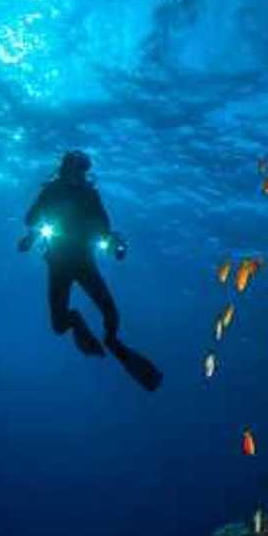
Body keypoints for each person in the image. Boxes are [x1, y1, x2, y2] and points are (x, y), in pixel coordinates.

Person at [18, 150, 162, 391]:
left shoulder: (90, 195)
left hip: (84, 262)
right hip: (58, 263)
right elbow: (31, 218)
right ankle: (75, 321)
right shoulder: (51, 191)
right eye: (75, 168)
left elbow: (106, 227)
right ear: (64, 169)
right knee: (59, 325)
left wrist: (116, 245)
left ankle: (112, 342)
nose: (78, 173)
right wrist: (32, 236)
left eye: (82, 169)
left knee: (111, 314)